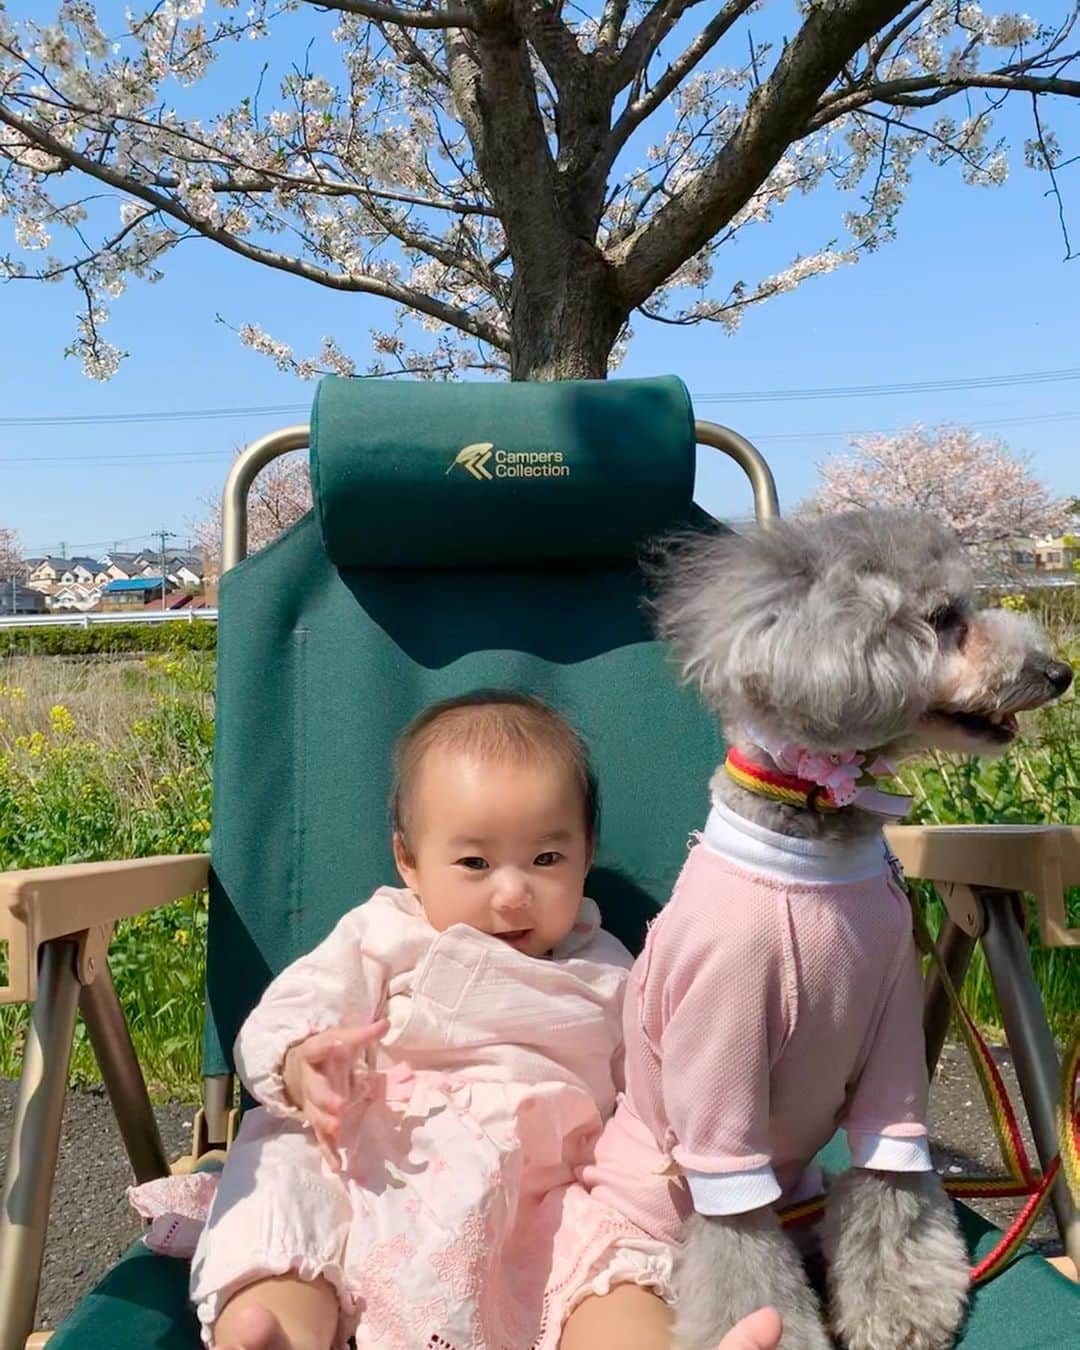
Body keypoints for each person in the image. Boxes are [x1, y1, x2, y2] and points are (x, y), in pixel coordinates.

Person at [189, 691, 678, 1350]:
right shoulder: (384, 933)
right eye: (475, 863)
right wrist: (303, 1063)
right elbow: (292, 1006)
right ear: (409, 861)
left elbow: (658, 1088)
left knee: (608, 1268)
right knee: (287, 1183)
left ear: (587, 852)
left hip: (537, 1200)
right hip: (376, 1162)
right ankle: (280, 1329)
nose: (512, 893)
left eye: (546, 859)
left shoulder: (613, 969)